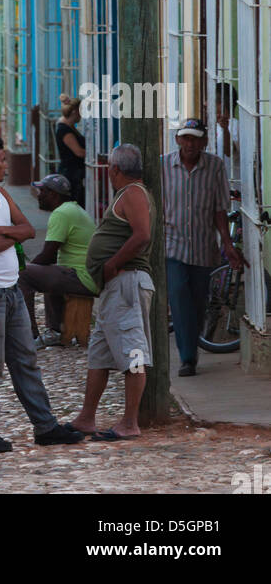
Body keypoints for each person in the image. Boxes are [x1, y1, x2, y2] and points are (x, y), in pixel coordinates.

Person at [0, 134, 83, 453]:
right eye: (2, 160)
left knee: (26, 360)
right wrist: (9, 236)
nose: (6, 166)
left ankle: (45, 426)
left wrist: (1, 233)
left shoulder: (1, 194)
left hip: (12, 289)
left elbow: (28, 229)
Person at [69, 144, 155, 441]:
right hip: (113, 288)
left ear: (115, 170)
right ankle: (86, 417)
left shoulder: (133, 193)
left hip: (125, 282)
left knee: (133, 352)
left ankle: (130, 422)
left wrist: (112, 264)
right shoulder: (128, 193)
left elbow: (142, 234)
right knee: (100, 353)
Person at [161, 118, 241, 377]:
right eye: (185, 137)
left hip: (203, 246)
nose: (190, 143)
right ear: (177, 140)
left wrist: (227, 245)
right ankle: (187, 357)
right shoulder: (164, 165)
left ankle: (191, 352)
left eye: (195, 138)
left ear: (205, 141)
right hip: (172, 245)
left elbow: (220, 209)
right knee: (178, 296)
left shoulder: (215, 167)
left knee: (197, 302)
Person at [18, 174, 97, 345]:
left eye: (42, 191)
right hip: (88, 275)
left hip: (84, 277)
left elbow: (48, 255)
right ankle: (55, 330)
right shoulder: (72, 209)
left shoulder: (62, 213)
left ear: (54, 194)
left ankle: (29, 337)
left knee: (23, 274)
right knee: (47, 272)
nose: (38, 195)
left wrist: (28, 267)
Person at [55, 94, 86, 207]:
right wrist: (95, 156)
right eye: (80, 111)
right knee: (74, 203)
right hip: (71, 175)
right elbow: (78, 152)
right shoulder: (65, 130)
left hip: (74, 173)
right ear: (74, 112)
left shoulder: (69, 126)